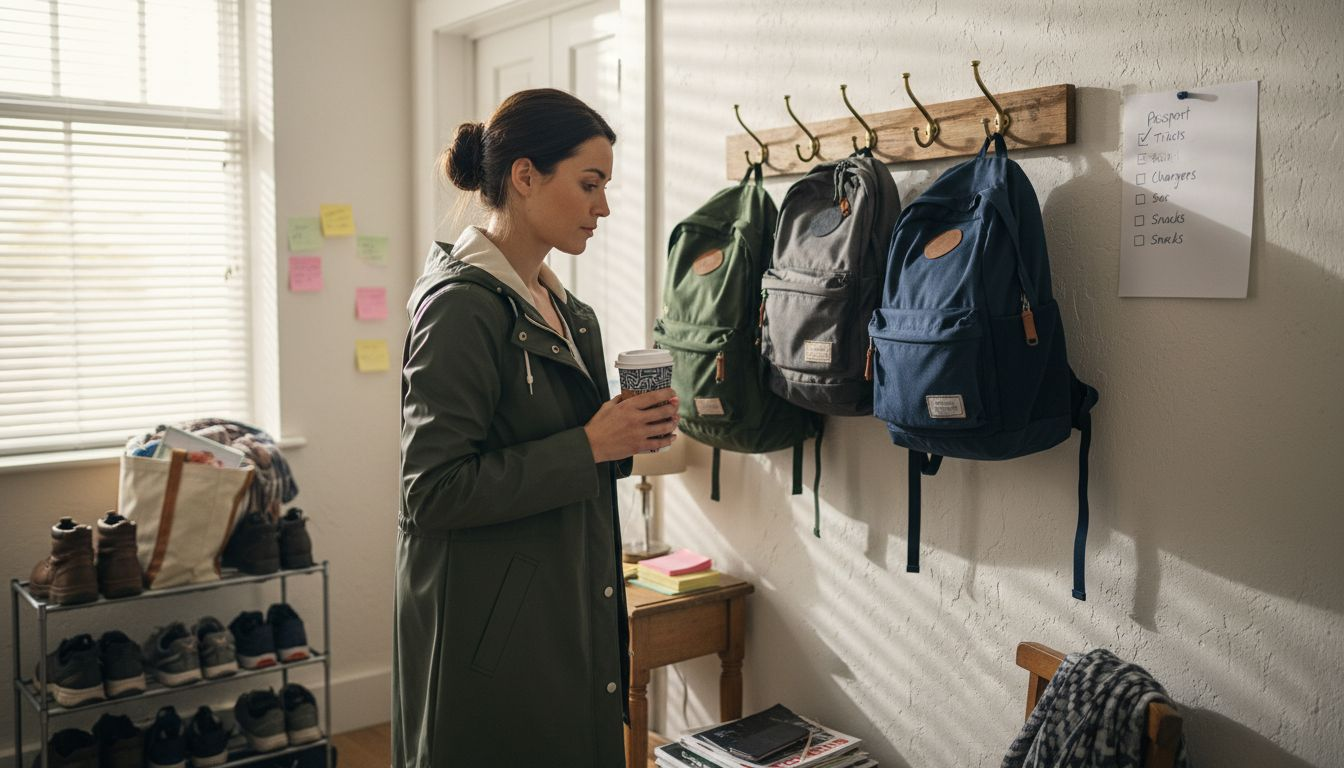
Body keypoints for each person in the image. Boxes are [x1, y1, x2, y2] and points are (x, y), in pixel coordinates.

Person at [393, 88, 678, 767]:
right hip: (492, 638)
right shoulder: (461, 308)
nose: (603, 207)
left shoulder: (570, 313)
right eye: (589, 184)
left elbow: (567, 451)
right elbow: (431, 493)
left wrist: (623, 437)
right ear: (525, 176)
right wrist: (590, 444)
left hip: (567, 612)